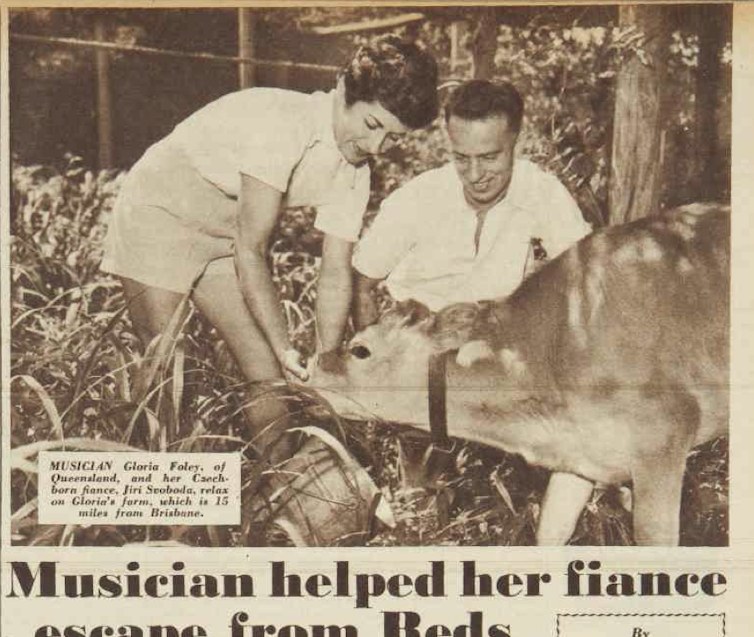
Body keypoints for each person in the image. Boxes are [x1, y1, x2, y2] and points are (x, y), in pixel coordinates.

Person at [101, 36, 439, 454]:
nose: (375, 147)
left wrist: (328, 360)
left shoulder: (354, 171)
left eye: (392, 138)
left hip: (223, 234)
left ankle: (275, 490)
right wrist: (285, 344)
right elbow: (251, 249)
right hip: (161, 212)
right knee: (166, 368)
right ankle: (142, 488)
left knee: (267, 377)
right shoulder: (284, 123)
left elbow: (334, 271)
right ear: (343, 91)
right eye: (372, 126)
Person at [352, 79, 591, 328]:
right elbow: (360, 284)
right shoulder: (417, 198)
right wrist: (376, 350)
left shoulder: (540, 191)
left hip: (497, 343)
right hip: (418, 337)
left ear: (517, 142)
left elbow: (587, 274)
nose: (475, 175)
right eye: (462, 158)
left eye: (489, 157)